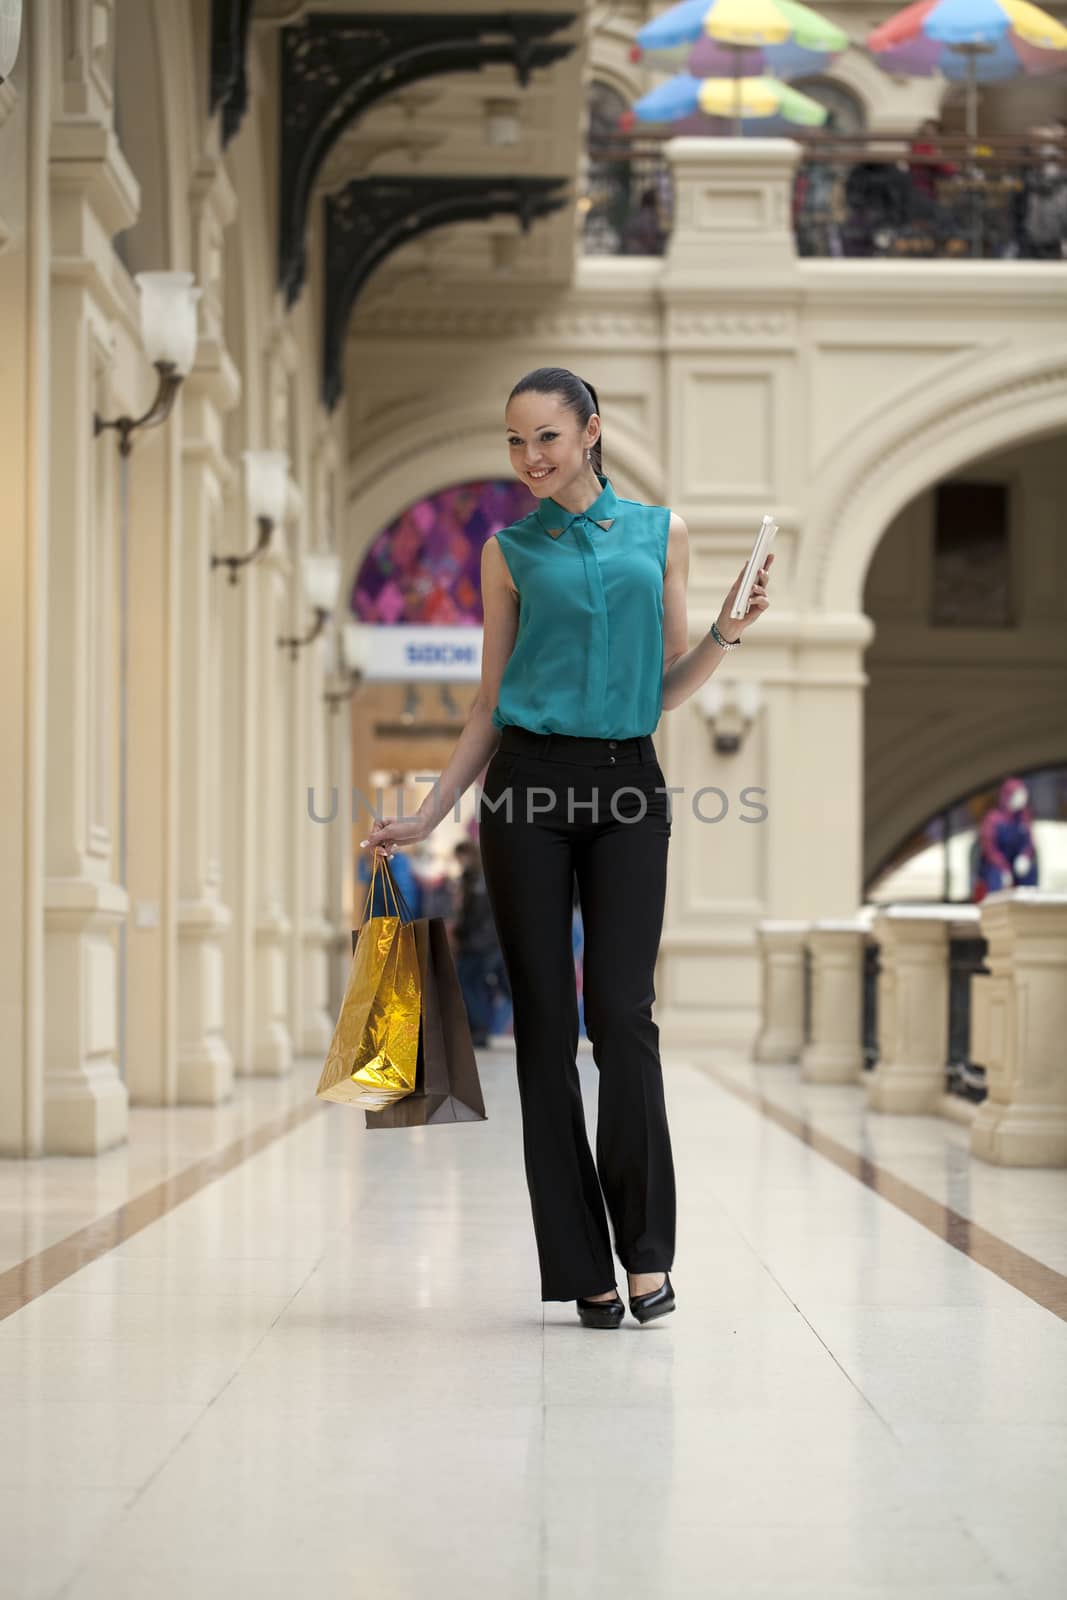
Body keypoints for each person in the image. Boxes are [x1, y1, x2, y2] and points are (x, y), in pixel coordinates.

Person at [359, 367, 772, 1329]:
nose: (529, 457)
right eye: (514, 441)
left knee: (621, 1018)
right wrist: (429, 815)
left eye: (545, 436)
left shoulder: (659, 534)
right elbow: (486, 704)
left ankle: (646, 1254)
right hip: (526, 794)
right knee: (545, 1032)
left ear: (591, 432)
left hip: (630, 782)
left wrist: (725, 633)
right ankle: (581, 1264)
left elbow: (667, 686)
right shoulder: (505, 554)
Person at [451, 840, 503, 1047]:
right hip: (483, 942)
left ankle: (479, 1029)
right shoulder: (476, 877)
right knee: (475, 985)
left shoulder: (477, 880)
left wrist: (459, 930)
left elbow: (475, 915)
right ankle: (477, 1029)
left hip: (478, 943)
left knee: (468, 984)